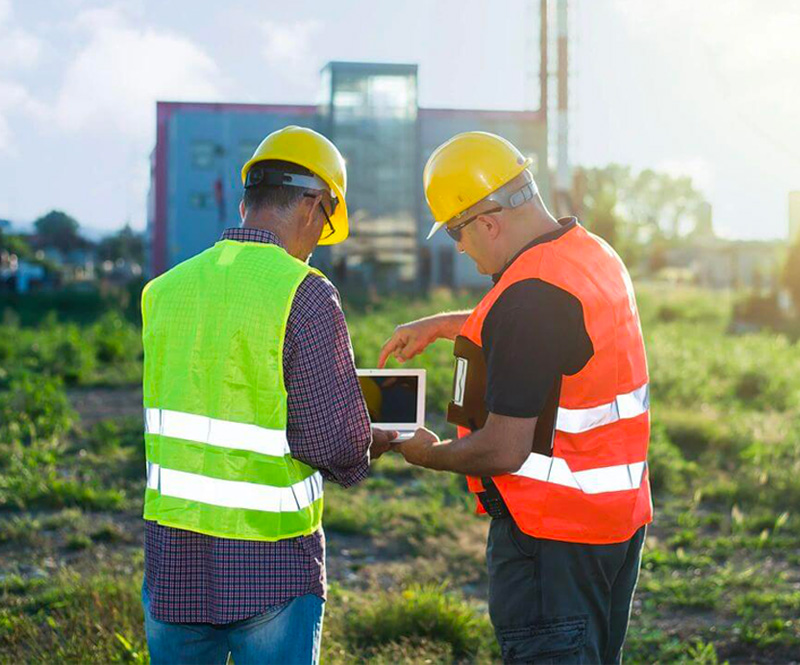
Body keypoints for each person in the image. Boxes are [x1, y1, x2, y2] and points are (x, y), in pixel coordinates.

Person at [379, 131, 651, 664]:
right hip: (614, 524)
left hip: (551, 543)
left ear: (488, 221)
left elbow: (504, 449)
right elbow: (549, 334)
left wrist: (425, 454)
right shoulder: (589, 253)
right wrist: (444, 325)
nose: (459, 246)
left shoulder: (531, 295)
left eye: (457, 231)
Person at [141, 125, 396, 665]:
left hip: (173, 564)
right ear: (313, 204)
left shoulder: (162, 292)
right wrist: (375, 438)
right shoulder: (305, 292)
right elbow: (334, 443)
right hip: (272, 570)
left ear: (246, 200)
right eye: (326, 221)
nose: (318, 242)